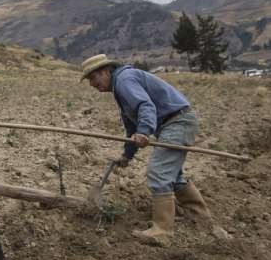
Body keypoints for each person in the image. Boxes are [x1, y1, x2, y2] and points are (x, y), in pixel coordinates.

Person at [80, 54, 229, 244]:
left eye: (93, 78)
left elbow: (145, 106)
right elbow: (131, 127)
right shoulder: (121, 85)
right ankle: (199, 216)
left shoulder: (124, 80)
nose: (92, 84)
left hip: (177, 122)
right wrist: (127, 155)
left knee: (159, 172)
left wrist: (144, 131)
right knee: (173, 175)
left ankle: (162, 231)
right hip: (176, 122)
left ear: (105, 71)